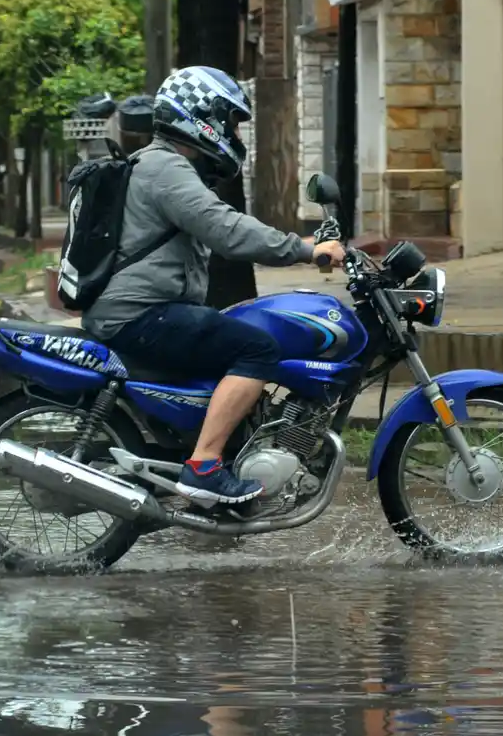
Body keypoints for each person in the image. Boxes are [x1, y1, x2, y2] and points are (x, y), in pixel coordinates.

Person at [82, 66, 345, 506]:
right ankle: (204, 465)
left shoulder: (163, 165)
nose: (233, 133)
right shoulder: (165, 167)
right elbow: (225, 229)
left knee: (229, 334)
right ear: (200, 118)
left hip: (141, 310)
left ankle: (214, 454)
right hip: (139, 315)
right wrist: (303, 247)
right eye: (229, 122)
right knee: (256, 349)